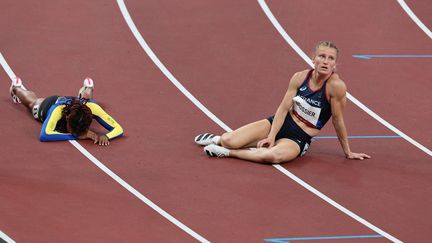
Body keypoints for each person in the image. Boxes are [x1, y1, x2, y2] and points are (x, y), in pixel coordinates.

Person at [195, 41, 370, 163]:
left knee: (272, 157)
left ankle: (227, 153)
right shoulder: (299, 77)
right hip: (282, 122)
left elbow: (337, 120)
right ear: (313, 59)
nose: (325, 61)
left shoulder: (336, 87)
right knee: (229, 139)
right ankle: (219, 140)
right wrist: (271, 136)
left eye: (331, 58)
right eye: (322, 56)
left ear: (335, 64)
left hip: (299, 137)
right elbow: (284, 107)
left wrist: (348, 152)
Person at [9, 77, 123, 145]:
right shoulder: (56, 110)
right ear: (67, 119)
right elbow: (44, 135)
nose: (76, 132)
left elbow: (119, 129)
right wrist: (77, 136)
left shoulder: (92, 107)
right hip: (49, 104)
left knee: (86, 100)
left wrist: (107, 136)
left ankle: (88, 89)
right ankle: (16, 88)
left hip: (75, 102)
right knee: (32, 103)